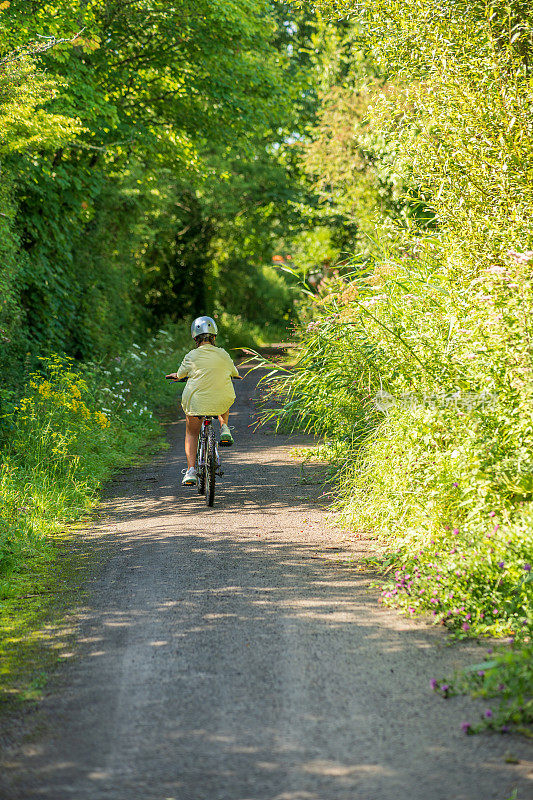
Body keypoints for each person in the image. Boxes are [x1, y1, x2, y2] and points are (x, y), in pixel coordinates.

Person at [166, 316, 242, 485]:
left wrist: (177, 377)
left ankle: (191, 470)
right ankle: (224, 428)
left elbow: (180, 374)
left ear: (195, 338)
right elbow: (234, 372)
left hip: (196, 404)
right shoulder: (223, 354)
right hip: (220, 401)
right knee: (223, 393)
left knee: (192, 433)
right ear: (214, 336)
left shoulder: (191, 356)